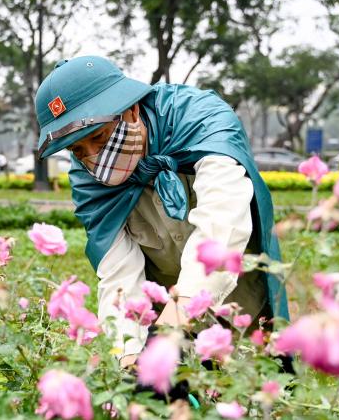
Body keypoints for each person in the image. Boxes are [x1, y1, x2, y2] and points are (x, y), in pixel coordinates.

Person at [34, 56, 289, 369]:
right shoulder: (89, 181)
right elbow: (118, 273)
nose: (93, 158)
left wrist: (172, 329)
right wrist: (129, 358)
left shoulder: (202, 120)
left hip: (240, 299)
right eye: (77, 150)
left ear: (130, 109)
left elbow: (220, 229)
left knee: (257, 385)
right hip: (162, 307)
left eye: (98, 138)